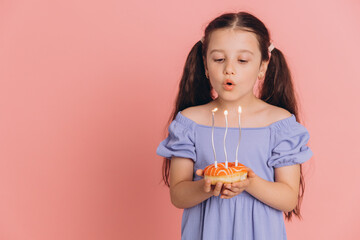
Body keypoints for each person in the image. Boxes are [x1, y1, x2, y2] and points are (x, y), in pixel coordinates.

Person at [156, 11, 313, 240]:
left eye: (242, 60)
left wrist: (249, 183)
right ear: (205, 65)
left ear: (262, 67)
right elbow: (178, 195)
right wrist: (205, 187)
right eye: (219, 59)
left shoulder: (280, 124)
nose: (229, 69)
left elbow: (288, 198)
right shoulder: (189, 123)